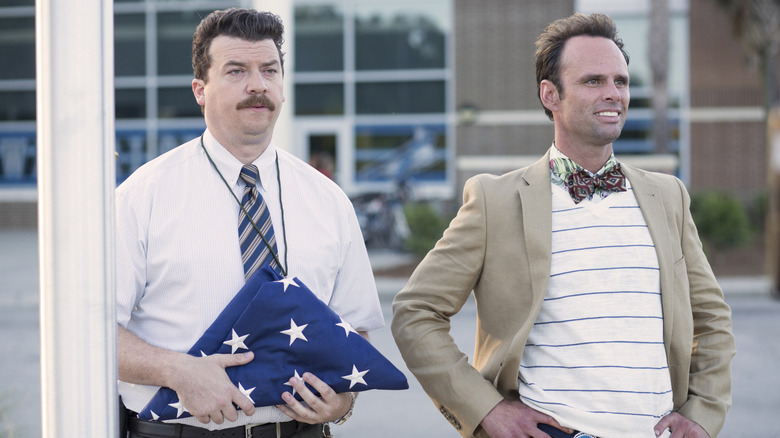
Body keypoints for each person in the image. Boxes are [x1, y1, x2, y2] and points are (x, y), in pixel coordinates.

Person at [391, 12, 735, 438]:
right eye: (594, 81)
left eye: (621, 81)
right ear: (550, 94)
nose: (613, 94)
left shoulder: (667, 197)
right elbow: (415, 312)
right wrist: (486, 410)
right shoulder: (496, 201)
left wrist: (703, 412)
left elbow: (712, 318)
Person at [116, 8, 383, 438]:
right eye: (236, 70)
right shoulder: (140, 198)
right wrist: (179, 371)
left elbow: (355, 330)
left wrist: (343, 401)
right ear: (200, 90)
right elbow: (93, 332)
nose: (257, 84)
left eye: (269, 70)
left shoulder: (328, 200)